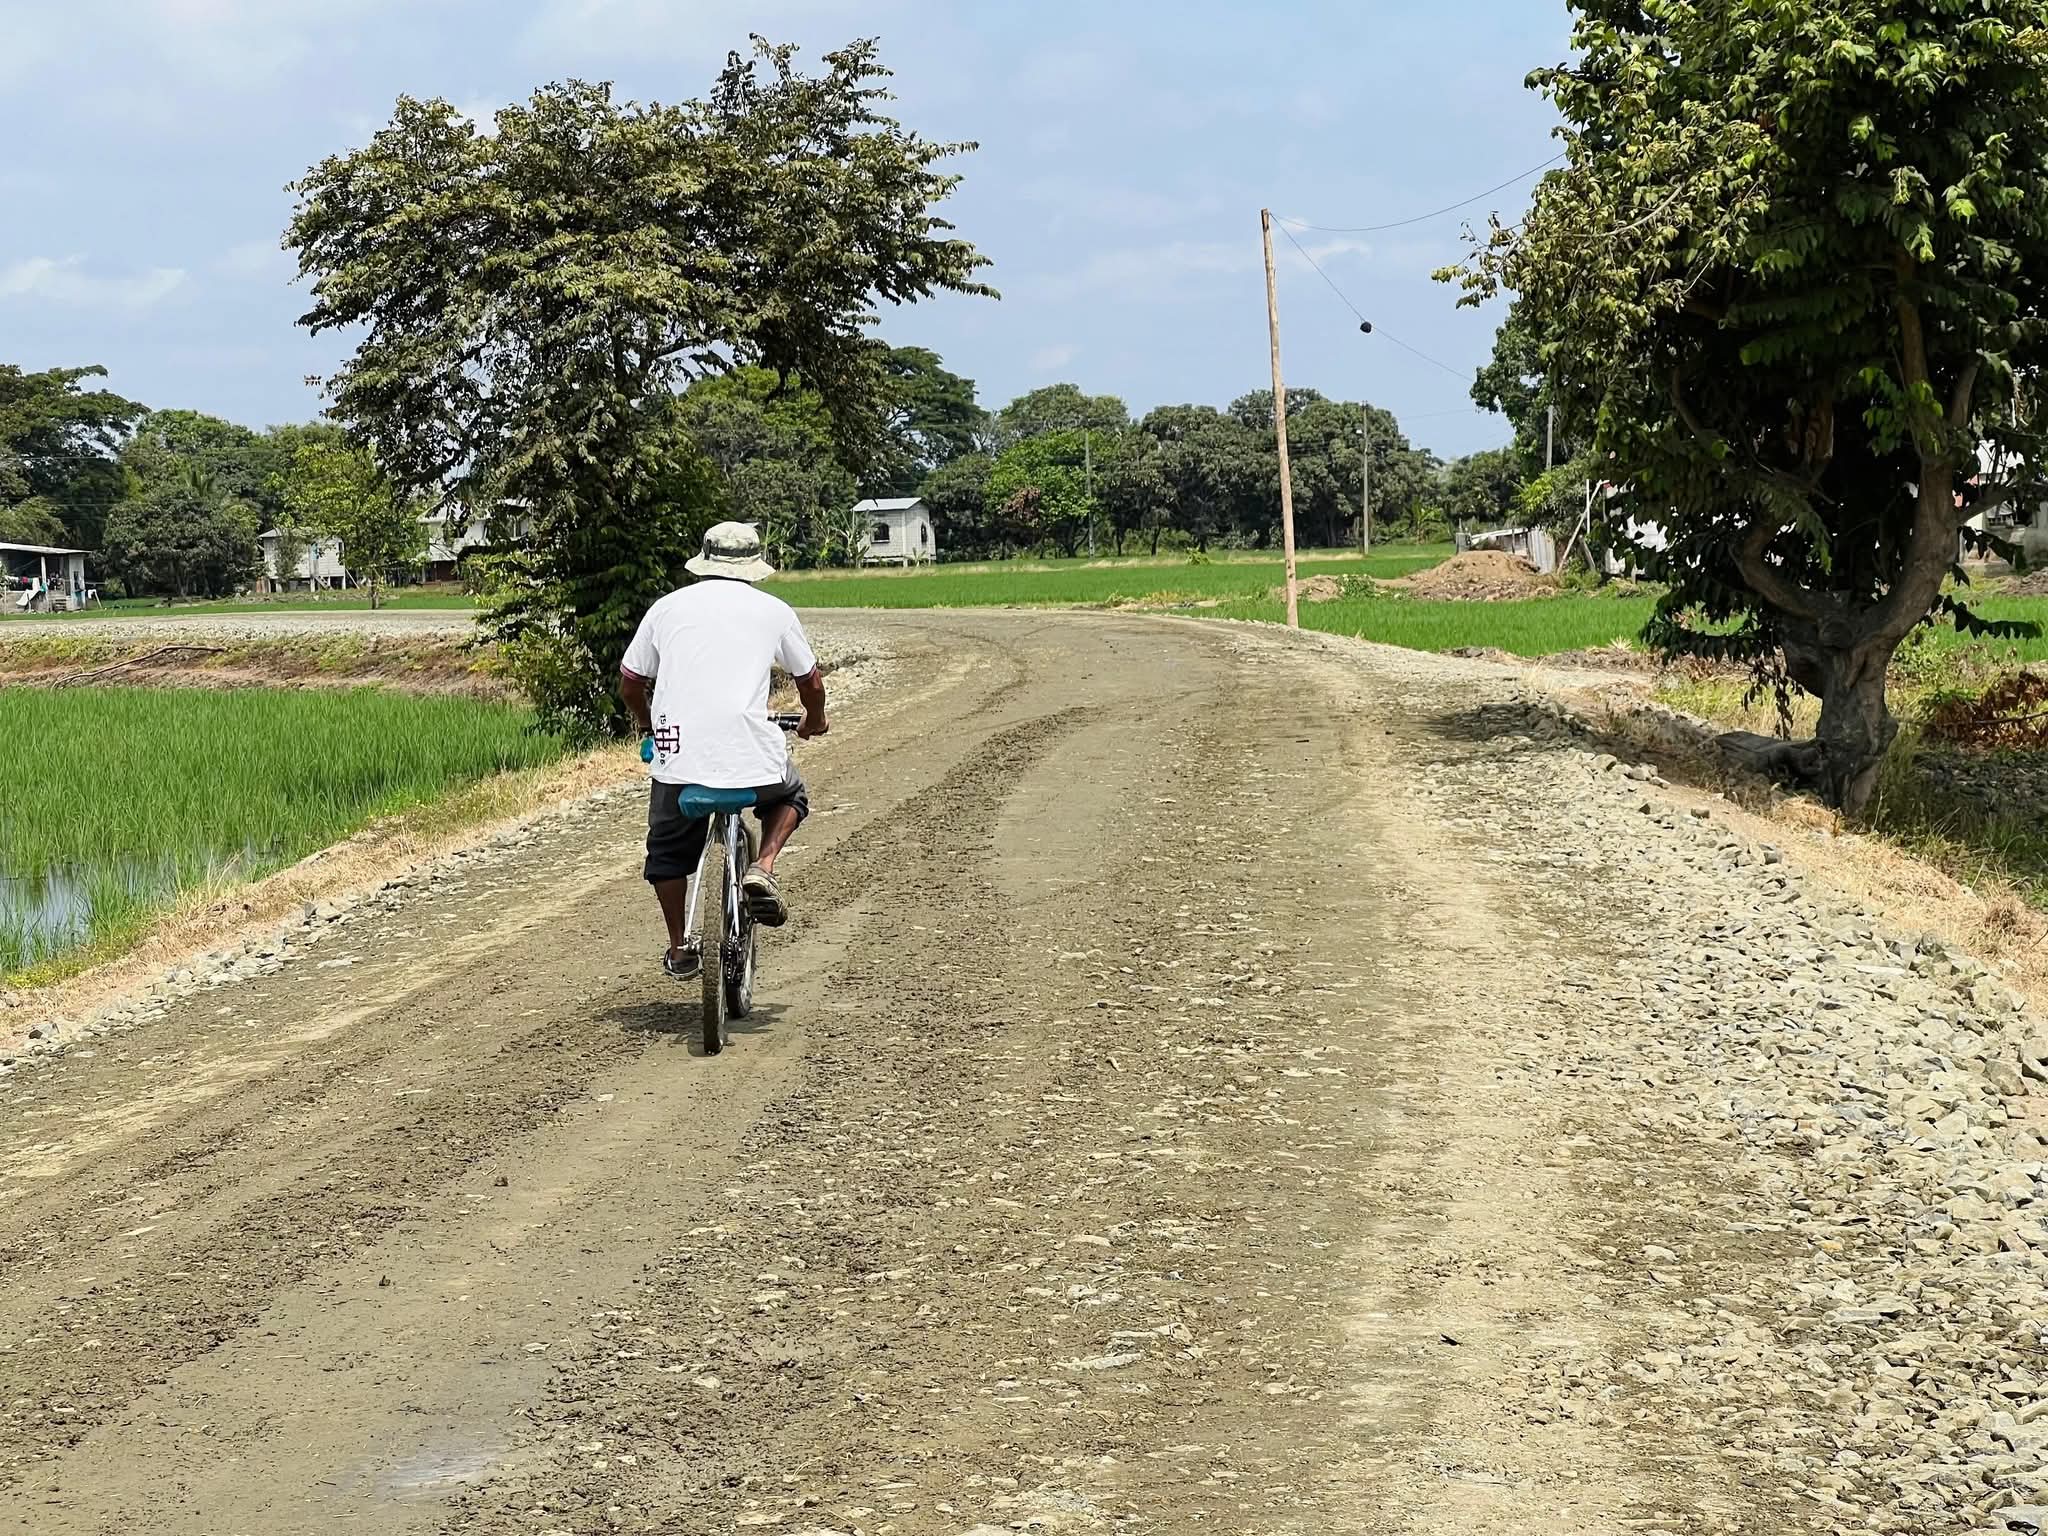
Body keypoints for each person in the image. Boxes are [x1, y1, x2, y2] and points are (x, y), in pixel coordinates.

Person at [619, 522, 827, 980]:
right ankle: (763, 867)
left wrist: (648, 725)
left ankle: (679, 947)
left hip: (677, 753)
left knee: (666, 850)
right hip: (750, 754)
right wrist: (814, 720)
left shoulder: (666, 608)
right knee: (791, 794)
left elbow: (631, 683)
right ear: (753, 566)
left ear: (704, 561)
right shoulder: (773, 611)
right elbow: (810, 683)